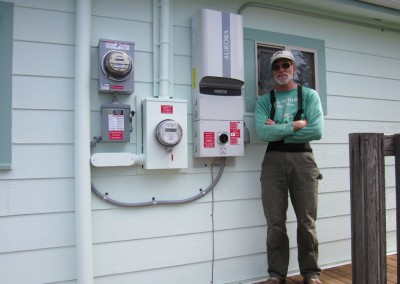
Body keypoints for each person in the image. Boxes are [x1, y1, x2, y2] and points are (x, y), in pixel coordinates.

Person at [254, 50, 324, 284]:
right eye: (276, 67)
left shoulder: (310, 95)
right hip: (272, 162)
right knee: (275, 222)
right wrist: (294, 124)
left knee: (306, 221)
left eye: (286, 65)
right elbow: (263, 132)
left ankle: (311, 273)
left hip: (303, 160)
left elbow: (316, 131)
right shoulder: (264, 101)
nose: (281, 70)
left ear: (294, 69)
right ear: (272, 72)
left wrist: (279, 129)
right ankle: (276, 275)